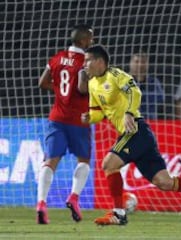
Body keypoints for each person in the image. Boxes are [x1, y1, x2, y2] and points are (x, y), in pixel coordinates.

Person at [81, 45, 181, 225]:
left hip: (136, 130)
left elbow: (135, 91)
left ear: (99, 61)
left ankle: (119, 213)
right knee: (164, 182)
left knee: (109, 164)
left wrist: (129, 112)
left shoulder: (115, 75)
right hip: (134, 135)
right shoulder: (92, 84)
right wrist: (89, 118)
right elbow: (98, 112)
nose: (84, 64)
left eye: (87, 60)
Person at [36, 24, 94, 224]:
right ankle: (74, 197)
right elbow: (81, 88)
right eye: (90, 39)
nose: (92, 42)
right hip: (78, 119)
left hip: (56, 118)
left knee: (50, 161)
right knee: (84, 161)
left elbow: (42, 82)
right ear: (83, 41)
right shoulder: (84, 62)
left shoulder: (57, 58)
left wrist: (61, 91)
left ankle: (41, 203)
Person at [129, 51, 165, 119]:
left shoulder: (154, 82)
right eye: (137, 62)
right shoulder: (123, 81)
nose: (140, 65)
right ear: (131, 63)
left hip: (151, 122)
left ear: (147, 64)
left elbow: (161, 101)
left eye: (143, 62)